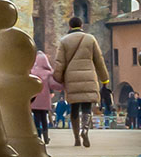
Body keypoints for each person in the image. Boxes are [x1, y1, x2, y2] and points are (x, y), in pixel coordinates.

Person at [52, 15, 109, 148]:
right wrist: (104, 79)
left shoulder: (64, 41)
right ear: (81, 25)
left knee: (74, 109)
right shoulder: (90, 39)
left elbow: (60, 63)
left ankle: (77, 138)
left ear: (70, 26)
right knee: (86, 108)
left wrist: (58, 79)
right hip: (89, 77)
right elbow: (99, 61)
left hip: (71, 79)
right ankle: (85, 130)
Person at [30, 48, 58, 144]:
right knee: (44, 118)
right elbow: (54, 85)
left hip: (34, 99)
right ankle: (46, 137)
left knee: (36, 118)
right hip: (45, 100)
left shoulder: (32, 72)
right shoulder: (49, 73)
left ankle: (38, 136)